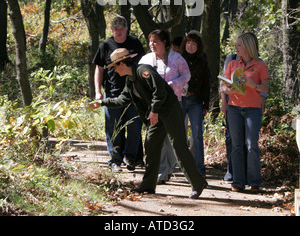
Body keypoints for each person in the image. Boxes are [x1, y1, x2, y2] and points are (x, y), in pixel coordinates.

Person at [91, 48, 208, 199]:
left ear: (121, 63)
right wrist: (102, 103)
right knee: (151, 145)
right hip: (156, 114)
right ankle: (148, 185)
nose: (113, 70)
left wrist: (154, 110)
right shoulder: (130, 79)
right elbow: (122, 99)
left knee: (179, 147)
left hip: (168, 110)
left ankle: (198, 183)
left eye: (114, 66)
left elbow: (159, 90)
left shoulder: (143, 70)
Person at [93, 15, 145, 172]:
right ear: (112, 30)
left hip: (134, 93)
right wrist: (97, 92)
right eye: (116, 29)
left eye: (121, 29)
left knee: (135, 126)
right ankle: (115, 160)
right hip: (113, 93)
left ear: (126, 29)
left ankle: (130, 158)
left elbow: (144, 64)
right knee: (114, 128)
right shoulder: (105, 45)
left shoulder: (135, 43)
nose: (119, 32)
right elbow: (99, 69)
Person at [139, 29, 190, 184]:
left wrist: (174, 84)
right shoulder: (146, 60)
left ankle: (169, 168)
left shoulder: (176, 58)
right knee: (155, 138)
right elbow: (139, 78)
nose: (152, 45)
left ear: (164, 42)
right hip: (154, 105)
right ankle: (161, 171)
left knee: (171, 139)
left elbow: (187, 75)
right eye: (150, 41)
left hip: (174, 104)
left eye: (156, 41)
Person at [220, 33, 269, 192]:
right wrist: (228, 89)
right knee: (236, 145)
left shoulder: (260, 65)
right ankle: (238, 181)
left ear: (248, 47)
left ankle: (254, 181)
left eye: (239, 45)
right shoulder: (232, 64)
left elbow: (265, 88)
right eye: (237, 44)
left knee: (251, 145)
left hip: (253, 109)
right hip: (234, 107)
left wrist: (252, 85)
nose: (236, 47)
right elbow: (223, 86)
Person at [181, 31, 210, 176]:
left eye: (194, 44)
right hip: (180, 99)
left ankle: (199, 168)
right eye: (188, 43)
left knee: (197, 134)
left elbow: (206, 82)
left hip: (196, 100)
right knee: (179, 133)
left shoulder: (202, 60)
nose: (190, 46)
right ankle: (179, 166)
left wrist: (206, 105)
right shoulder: (179, 58)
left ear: (198, 46)